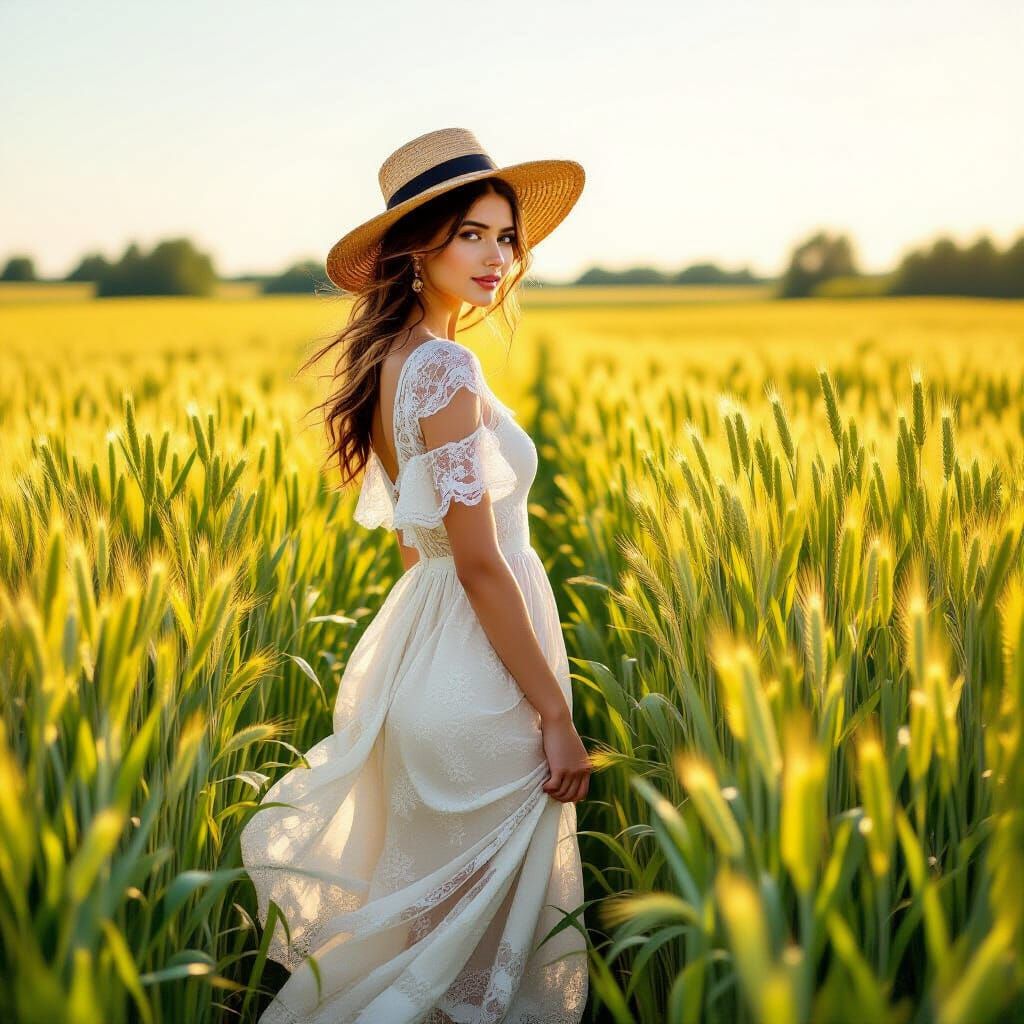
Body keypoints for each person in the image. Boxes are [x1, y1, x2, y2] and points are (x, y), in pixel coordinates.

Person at [240, 126, 591, 1024]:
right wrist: (554, 714)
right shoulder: (446, 364)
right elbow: (477, 560)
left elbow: (417, 544)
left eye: (505, 236)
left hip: (422, 664)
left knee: (428, 947)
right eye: (472, 234)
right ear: (417, 248)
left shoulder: (392, 362)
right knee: (466, 961)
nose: (497, 256)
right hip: (481, 684)